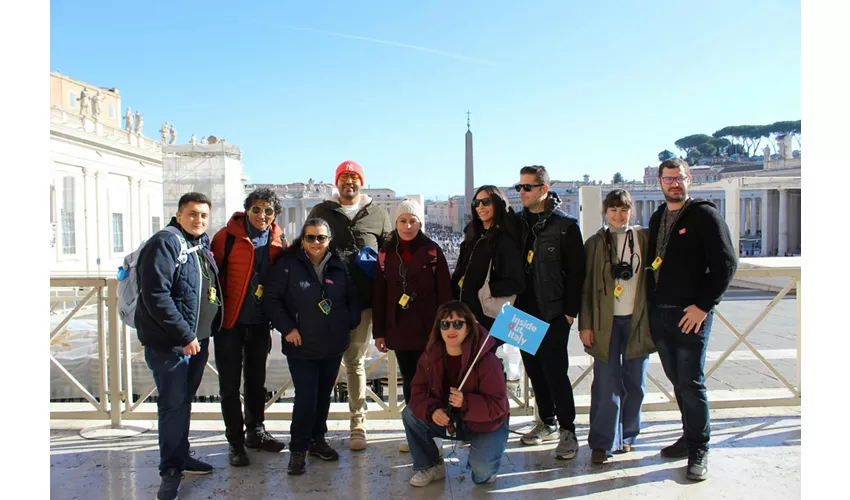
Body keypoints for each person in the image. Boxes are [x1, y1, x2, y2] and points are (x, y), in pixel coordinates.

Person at [647, 158, 737, 481]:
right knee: (677, 382)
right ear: (659, 182)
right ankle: (688, 436)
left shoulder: (704, 215)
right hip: (662, 316)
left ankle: (700, 447)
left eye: (679, 178)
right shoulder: (658, 217)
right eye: (668, 178)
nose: (674, 183)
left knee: (691, 382)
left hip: (691, 317)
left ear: (689, 180)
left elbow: (727, 264)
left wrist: (702, 306)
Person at [135, 192, 220, 500]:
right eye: (193, 214)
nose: (199, 220)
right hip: (172, 344)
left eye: (204, 216)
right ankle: (170, 469)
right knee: (172, 405)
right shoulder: (165, 243)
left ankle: (181, 456)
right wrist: (185, 335)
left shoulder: (200, 243)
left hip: (195, 343)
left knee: (183, 403)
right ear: (179, 214)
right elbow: (156, 295)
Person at [263, 218, 361, 475]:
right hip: (301, 346)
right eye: (310, 238)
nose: (316, 243)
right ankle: (298, 449)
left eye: (321, 238)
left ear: (329, 240)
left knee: (322, 397)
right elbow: (272, 300)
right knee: (305, 398)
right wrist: (287, 328)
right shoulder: (287, 265)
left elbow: (352, 297)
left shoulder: (339, 266)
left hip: (332, 344)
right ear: (302, 239)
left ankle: (317, 440)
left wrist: (349, 322)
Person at [306, 160, 392, 451]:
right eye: (344, 177)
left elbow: (391, 254)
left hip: (364, 301)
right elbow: (307, 248)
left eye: (354, 177)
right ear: (337, 183)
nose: (349, 182)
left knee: (354, 362)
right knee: (321, 361)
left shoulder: (378, 214)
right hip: (327, 301)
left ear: (361, 182)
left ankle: (358, 423)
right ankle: (316, 426)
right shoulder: (321, 211)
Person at [211, 188, 288, 467]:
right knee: (229, 385)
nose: (262, 215)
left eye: (268, 211)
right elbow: (211, 276)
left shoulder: (279, 241)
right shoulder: (225, 237)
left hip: (259, 323)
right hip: (229, 324)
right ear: (247, 210)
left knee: (256, 382)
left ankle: (256, 431)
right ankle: (235, 441)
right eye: (256, 209)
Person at [513, 165, 585, 460]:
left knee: (556, 373)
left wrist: (569, 313)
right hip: (521, 311)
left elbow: (577, 272)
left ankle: (568, 431)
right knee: (534, 371)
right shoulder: (515, 224)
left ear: (543, 189)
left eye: (527, 187)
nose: (521, 192)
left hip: (554, 312)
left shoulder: (566, 226)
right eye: (519, 187)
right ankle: (546, 422)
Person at [579, 189, 655, 464]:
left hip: (637, 321)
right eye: (613, 210)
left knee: (635, 383)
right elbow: (585, 287)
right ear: (605, 212)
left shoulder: (644, 239)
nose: (618, 215)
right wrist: (584, 325)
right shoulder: (596, 243)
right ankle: (602, 441)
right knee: (606, 383)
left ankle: (627, 435)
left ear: (630, 211)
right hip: (604, 323)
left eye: (623, 209)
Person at [372, 199, 453, 452]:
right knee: (410, 381)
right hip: (399, 327)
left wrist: (447, 327)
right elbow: (379, 295)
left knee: (432, 380)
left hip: (428, 328)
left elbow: (445, 293)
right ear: (395, 223)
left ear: (420, 223)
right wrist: (379, 332)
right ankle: (416, 432)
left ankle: (435, 432)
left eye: (413, 221)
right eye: (402, 221)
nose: (408, 226)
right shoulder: (385, 253)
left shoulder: (432, 251)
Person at [402, 301, 509, 487]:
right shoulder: (431, 356)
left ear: (469, 326)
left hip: (486, 422)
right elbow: (418, 391)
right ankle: (431, 465)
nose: (451, 329)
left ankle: (484, 460)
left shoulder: (487, 360)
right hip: (450, 419)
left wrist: (466, 402)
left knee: (482, 475)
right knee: (410, 413)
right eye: (445, 324)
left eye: (458, 324)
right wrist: (433, 410)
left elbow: (498, 405)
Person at [452, 185, 525, 334]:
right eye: (476, 203)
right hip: (466, 313)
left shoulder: (504, 240)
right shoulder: (472, 235)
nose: (480, 207)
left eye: (486, 201)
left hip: (489, 317)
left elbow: (516, 283)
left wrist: (485, 291)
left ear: (497, 203)